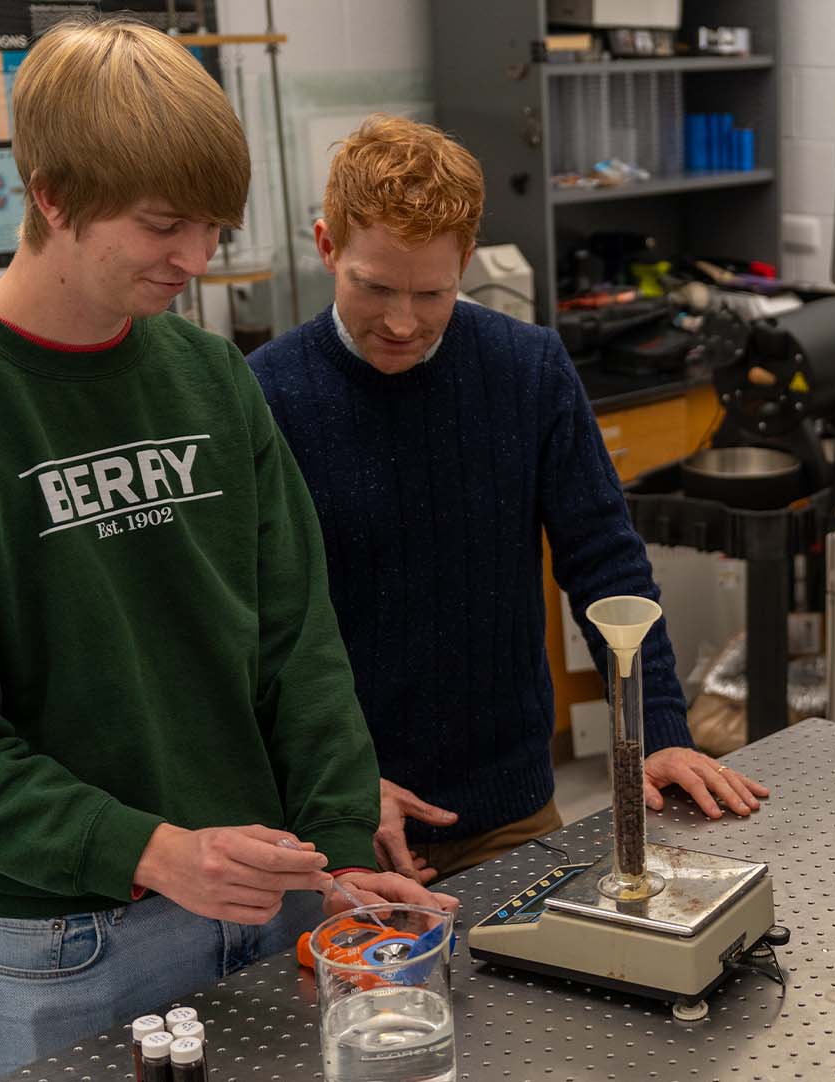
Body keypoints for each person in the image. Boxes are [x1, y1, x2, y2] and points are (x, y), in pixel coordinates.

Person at [0, 19, 449, 1080]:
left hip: (264, 893)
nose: (196, 259)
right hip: (62, 938)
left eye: (213, 226)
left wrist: (341, 846)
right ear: (52, 194)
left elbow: (296, 637)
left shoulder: (211, 376)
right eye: (164, 224)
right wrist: (156, 850)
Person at [248, 115, 769, 882]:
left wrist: (659, 729)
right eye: (374, 287)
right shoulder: (265, 394)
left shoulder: (528, 368)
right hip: (343, 823)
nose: (401, 323)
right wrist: (335, 789)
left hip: (511, 809)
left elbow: (607, 565)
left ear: (468, 261)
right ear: (327, 247)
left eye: (432, 294)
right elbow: (252, 633)